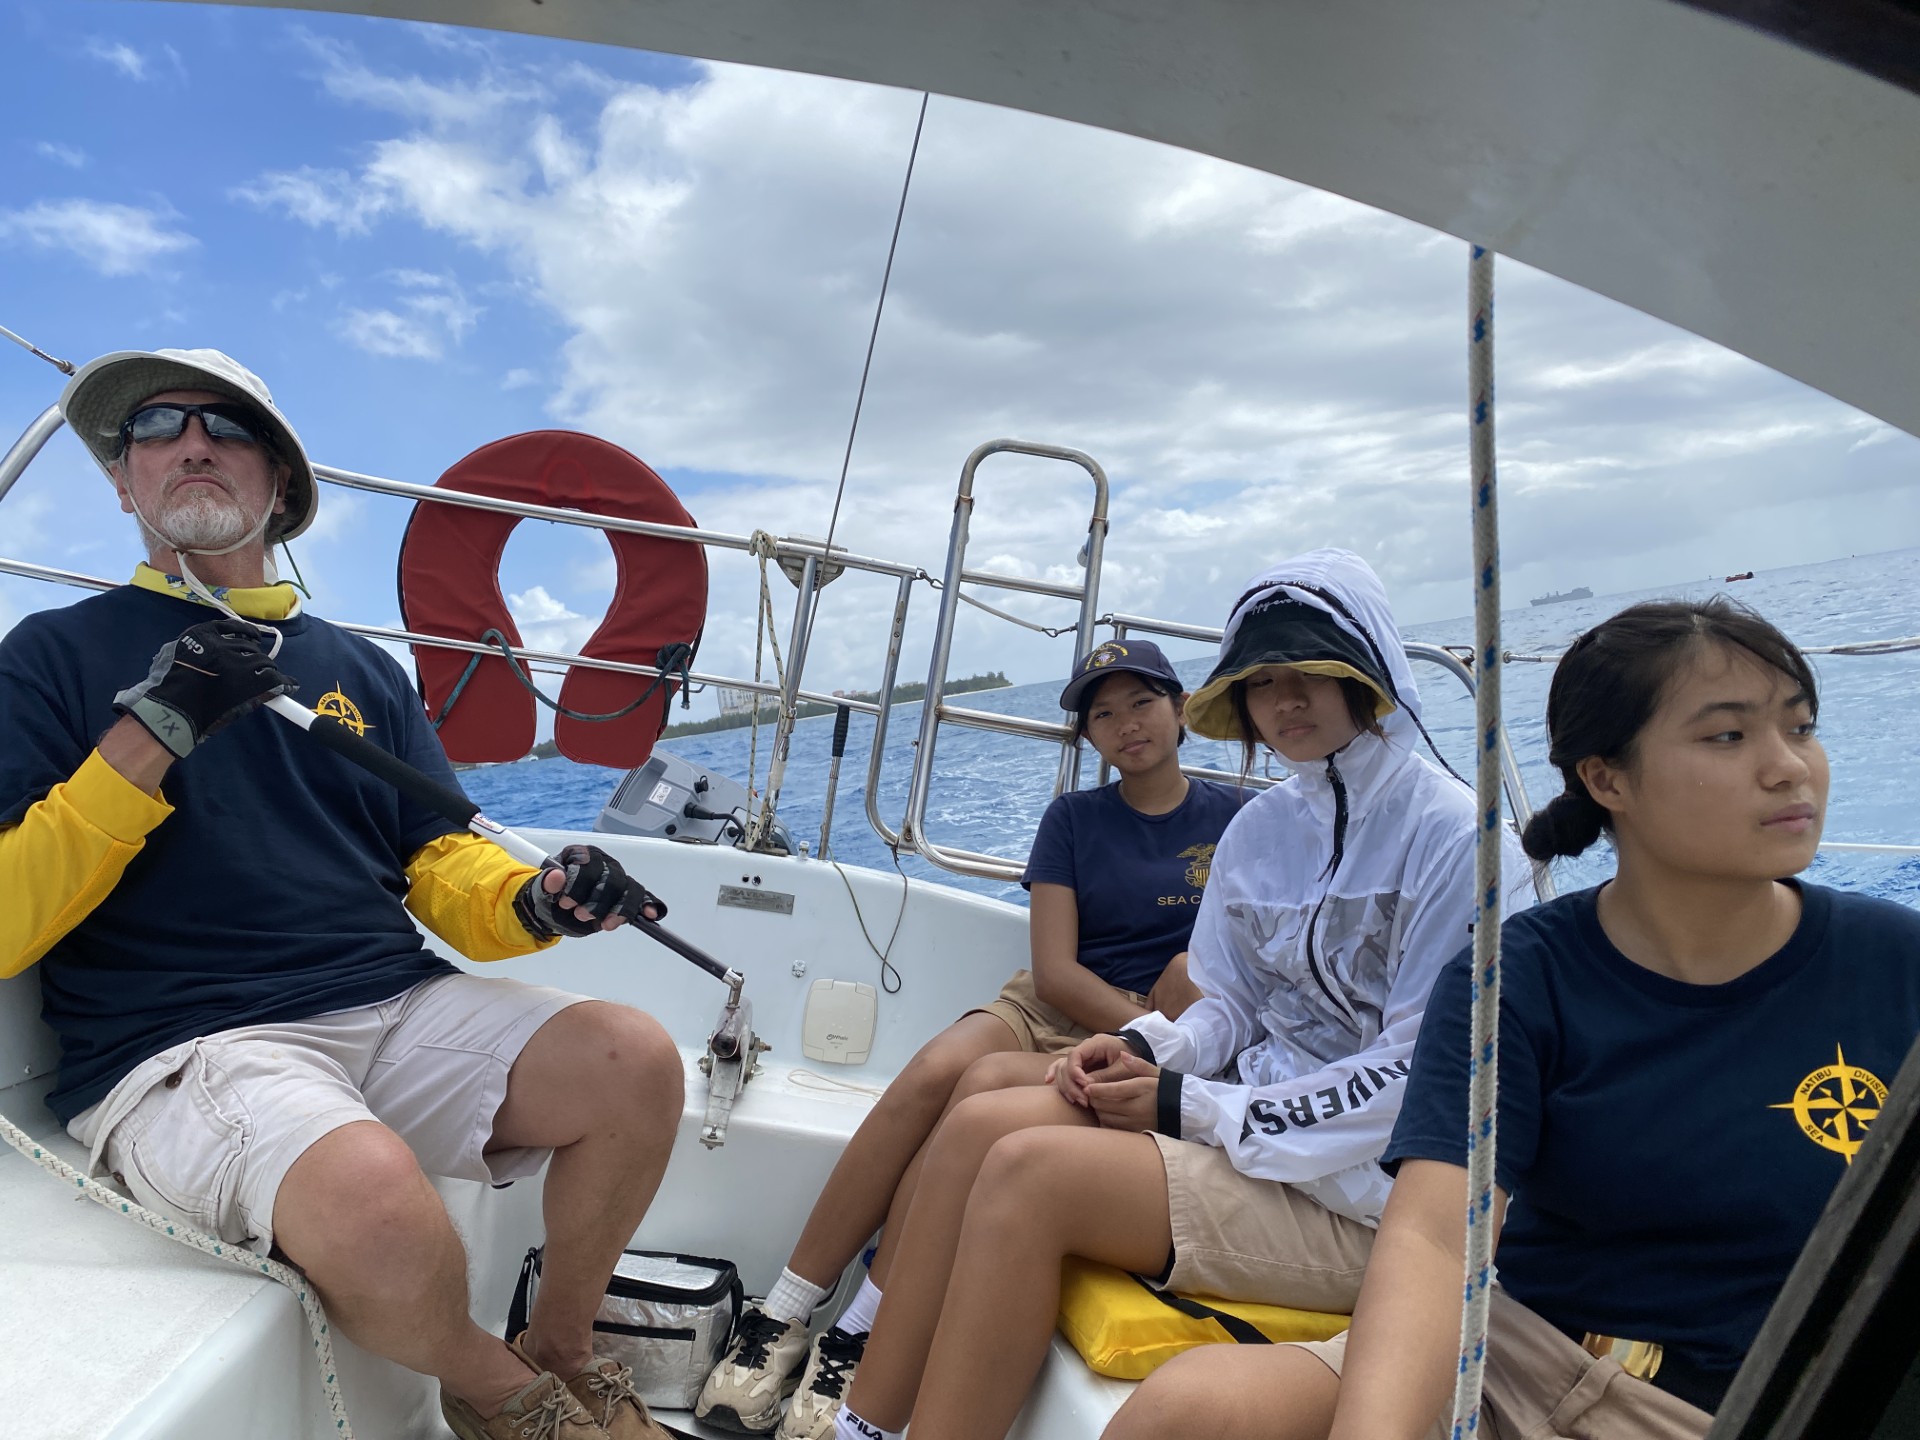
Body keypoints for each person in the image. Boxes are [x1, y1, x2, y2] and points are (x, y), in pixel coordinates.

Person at [0, 348, 688, 1440]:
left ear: (279, 486)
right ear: (122, 484)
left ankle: (561, 1343)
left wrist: (538, 901)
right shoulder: (47, 656)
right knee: (373, 1193)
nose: (189, 442)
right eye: (154, 428)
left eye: (224, 428)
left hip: (388, 1000)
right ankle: (512, 1400)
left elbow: (441, 858)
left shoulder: (360, 672)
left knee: (637, 1061)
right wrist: (149, 739)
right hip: (181, 1041)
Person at [1116, 597, 1920, 1440]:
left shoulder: (1894, 968)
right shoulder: (1519, 978)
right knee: (1183, 1412)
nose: (1789, 767)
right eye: (1730, 735)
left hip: (1744, 1400)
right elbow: (1435, 1237)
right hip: (1526, 1363)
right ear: (1607, 778)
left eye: (1801, 727)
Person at [823, 547, 1535, 1440]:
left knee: (1027, 1175)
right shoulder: (1265, 831)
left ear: (1371, 673)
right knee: (976, 1126)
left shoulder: (1455, 840)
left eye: (1311, 672)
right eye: (1262, 681)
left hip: (1370, 1202)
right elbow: (1230, 1004)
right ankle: (864, 1423)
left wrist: (1189, 1105)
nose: (1286, 701)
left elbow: (1414, 1082)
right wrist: (1149, 1050)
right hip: (1255, 1140)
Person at [696, 638, 1248, 1437]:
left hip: (1153, 1033)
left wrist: (1147, 1032)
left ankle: (865, 1329)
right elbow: (1054, 973)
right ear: (1087, 736)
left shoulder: (1238, 817)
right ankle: (784, 1311)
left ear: (1179, 707)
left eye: (1141, 702)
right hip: (1053, 1005)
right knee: (934, 1070)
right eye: (1103, 713)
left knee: (980, 1097)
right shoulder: (1073, 819)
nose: (1126, 723)